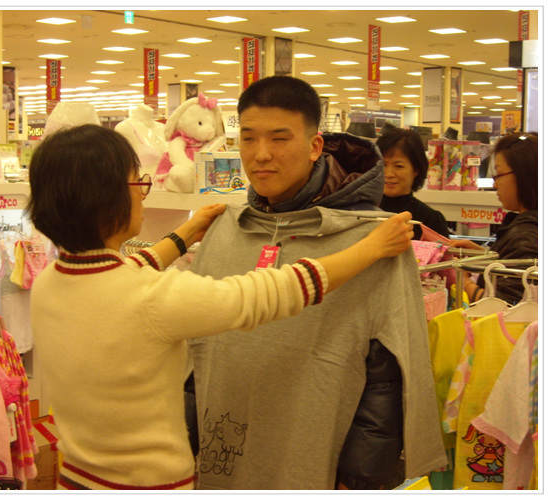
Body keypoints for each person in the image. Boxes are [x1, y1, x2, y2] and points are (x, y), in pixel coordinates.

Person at [25, 123, 414, 490]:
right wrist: (370, 248)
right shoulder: (152, 297)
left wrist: (187, 233)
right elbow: (270, 292)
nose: (142, 193)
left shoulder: (49, 283)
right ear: (105, 198)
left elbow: (125, 275)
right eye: (137, 183)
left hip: (75, 477)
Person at [187, 76, 447, 490]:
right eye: (248, 139)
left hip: (314, 463)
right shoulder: (223, 230)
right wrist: (186, 441)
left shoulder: (377, 240)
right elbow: (194, 355)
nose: (261, 154)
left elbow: (387, 377)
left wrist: (359, 480)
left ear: (314, 146)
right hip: (220, 458)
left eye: (279, 138)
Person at [450, 132, 538, 304]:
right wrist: (486, 256)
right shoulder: (526, 228)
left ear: (523, 175)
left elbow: (504, 306)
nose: (495, 184)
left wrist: (463, 280)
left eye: (499, 175)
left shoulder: (525, 236)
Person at [376, 127, 450, 239]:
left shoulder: (429, 220)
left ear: (416, 169)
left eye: (398, 166)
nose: (389, 173)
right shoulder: (363, 212)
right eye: (383, 165)